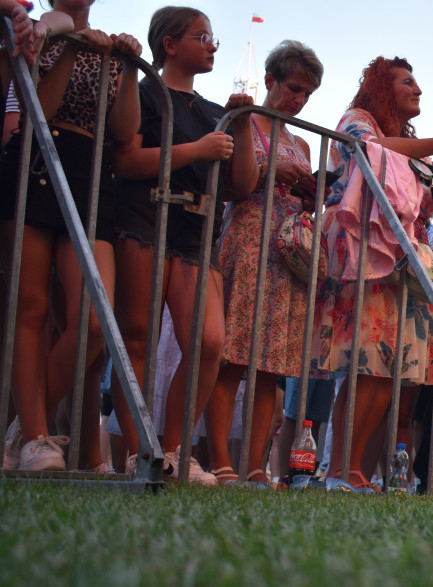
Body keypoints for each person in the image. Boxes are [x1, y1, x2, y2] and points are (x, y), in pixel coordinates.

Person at [315, 56, 433, 491]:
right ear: (381, 86)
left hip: (403, 257)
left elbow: (426, 208)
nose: (419, 90)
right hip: (365, 252)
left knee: (386, 368)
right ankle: (339, 469)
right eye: (408, 82)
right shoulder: (357, 120)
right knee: (363, 362)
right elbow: (370, 151)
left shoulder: (412, 145)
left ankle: (356, 470)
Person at [111, 6, 253, 482]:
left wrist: (244, 125)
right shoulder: (146, 93)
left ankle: (172, 451)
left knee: (209, 342)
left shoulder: (214, 112)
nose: (213, 44)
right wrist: (199, 149)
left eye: (212, 37)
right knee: (137, 337)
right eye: (202, 36)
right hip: (145, 217)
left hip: (196, 229)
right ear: (169, 44)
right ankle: (137, 454)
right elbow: (127, 159)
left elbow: (241, 185)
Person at [1, 0, 141, 472]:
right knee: (32, 306)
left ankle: (22, 427)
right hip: (38, 157)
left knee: (96, 319)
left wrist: (122, 66)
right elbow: (40, 107)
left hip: (91, 172)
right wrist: (68, 49)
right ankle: (37, 435)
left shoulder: (107, 43)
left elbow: (125, 129)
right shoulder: (41, 31)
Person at [204, 40, 323, 486]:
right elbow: (233, 187)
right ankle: (222, 462)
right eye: (294, 88)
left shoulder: (303, 143)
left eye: (307, 94)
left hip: (287, 251)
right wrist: (272, 171)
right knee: (232, 359)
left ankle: (254, 465)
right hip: (249, 236)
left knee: (271, 368)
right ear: (269, 80)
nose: (299, 100)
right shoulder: (242, 121)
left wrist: (311, 192)